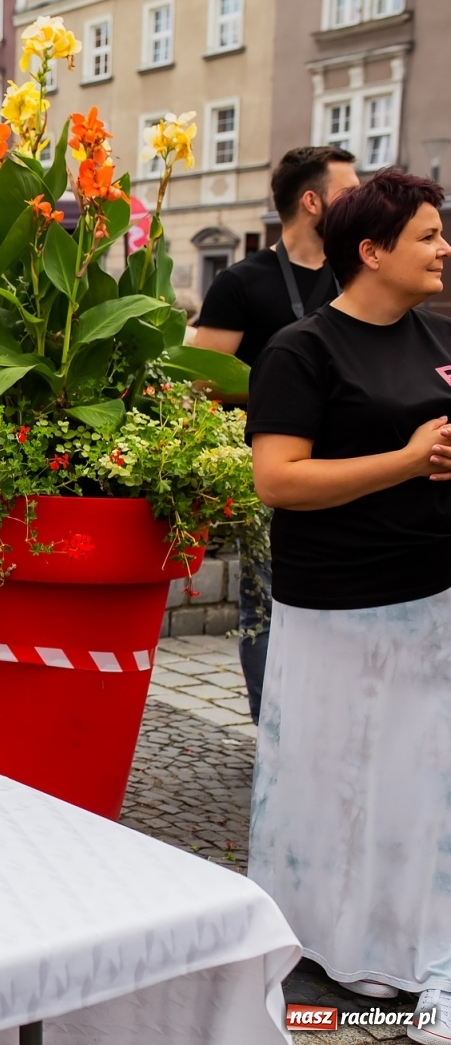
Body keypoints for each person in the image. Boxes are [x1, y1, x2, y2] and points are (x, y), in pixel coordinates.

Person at [244, 169, 451, 1034]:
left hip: (432, 596)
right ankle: (327, 936)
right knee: (331, 778)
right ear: (371, 252)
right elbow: (279, 480)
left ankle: (411, 935)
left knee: (420, 782)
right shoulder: (302, 350)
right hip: (337, 606)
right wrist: (404, 462)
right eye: (428, 236)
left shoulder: (440, 333)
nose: (445, 249)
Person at [195, 146, 359, 724]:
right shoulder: (242, 282)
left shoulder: (357, 277)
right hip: (271, 470)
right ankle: (275, 732)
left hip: (348, 470)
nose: (359, 198)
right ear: (312, 202)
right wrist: (282, 397)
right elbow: (197, 381)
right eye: (348, 190)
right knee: (265, 602)